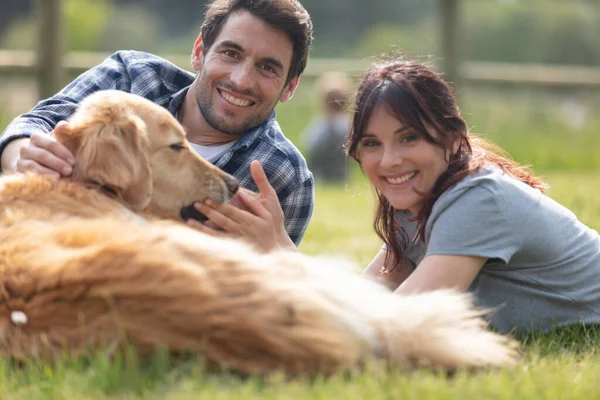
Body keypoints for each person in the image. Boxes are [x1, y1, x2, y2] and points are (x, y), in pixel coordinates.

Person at [201, 58, 600, 336]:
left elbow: (393, 322)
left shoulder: (477, 198)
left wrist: (278, 252)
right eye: (372, 143)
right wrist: (278, 248)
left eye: (408, 137)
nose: (389, 161)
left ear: (449, 137)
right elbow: (359, 299)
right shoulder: (418, 204)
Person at [0, 0, 314, 246]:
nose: (241, 79)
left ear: (290, 86)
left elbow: (263, 295)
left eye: (268, 68)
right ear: (199, 52)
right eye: (231, 53)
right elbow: (38, 121)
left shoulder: (285, 179)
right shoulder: (132, 77)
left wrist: (271, 255)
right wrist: (23, 155)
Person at [301, 71, 351, 183]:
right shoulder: (349, 125)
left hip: (320, 176)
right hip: (343, 177)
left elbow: (309, 146)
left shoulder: (321, 125)